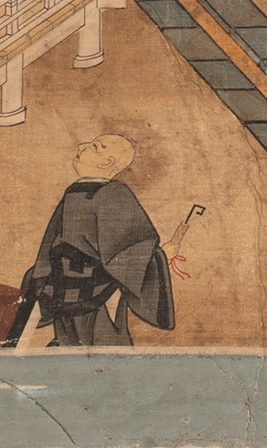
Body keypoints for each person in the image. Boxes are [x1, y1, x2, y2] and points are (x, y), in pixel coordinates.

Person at [10, 135, 174, 348]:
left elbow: (127, 249)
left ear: (107, 162)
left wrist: (154, 254)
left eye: (95, 147)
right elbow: (53, 243)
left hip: (97, 294)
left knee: (99, 342)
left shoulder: (114, 194)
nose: (81, 146)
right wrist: (158, 256)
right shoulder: (76, 192)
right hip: (73, 290)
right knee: (82, 342)